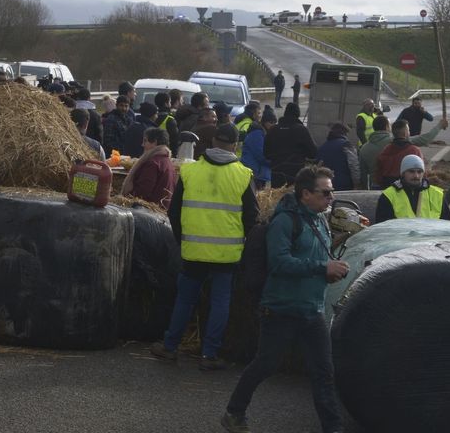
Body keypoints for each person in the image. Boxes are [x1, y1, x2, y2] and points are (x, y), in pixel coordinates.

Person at [221, 165, 348, 433]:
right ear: (305, 194)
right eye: (325, 192)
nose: (331, 197)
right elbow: (279, 263)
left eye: (332, 192)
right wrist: (321, 268)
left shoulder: (319, 219)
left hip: (312, 310)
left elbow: (313, 258)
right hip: (281, 309)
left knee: (324, 372)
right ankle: (234, 411)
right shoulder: (284, 221)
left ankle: (333, 427)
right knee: (265, 365)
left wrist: (329, 270)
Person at [152, 124, 259, 370]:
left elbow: (174, 212)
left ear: (212, 142)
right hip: (227, 254)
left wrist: (183, 240)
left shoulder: (190, 171)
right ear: (235, 145)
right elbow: (252, 218)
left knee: (185, 299)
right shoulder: (243, 175)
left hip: (193, 251)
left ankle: (170, 347)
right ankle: (209, 355)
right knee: (221, 301)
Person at [359, 115, 448, 189]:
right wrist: (439, 126)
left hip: (377, 186)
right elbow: (424, 138)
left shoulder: (363, 149)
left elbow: (362, 175)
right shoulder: (397, 141)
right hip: (399, 186)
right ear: (387, 127)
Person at [375, 155, 450, 223]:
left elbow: (448, 226)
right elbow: (382, 229)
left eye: (419, 172)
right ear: (403, 173)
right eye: (411, 171)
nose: (416, 176)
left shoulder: (437, 195)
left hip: (431, 239)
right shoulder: (389, 196)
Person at [121, 127, 177, 208]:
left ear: (155, 142)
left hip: (148, 212)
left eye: (145, 141)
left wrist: (127, 197)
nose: (142, 144)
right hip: (161, 210)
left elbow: (142, 192)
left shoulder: (153, 163)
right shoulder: (167, 162)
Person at [264, 103, 317, 187]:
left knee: (278, 198)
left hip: (276, 173)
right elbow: (313, 153)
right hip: (295, 173)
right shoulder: (301, 130)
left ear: (285, 113)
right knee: (293, 198)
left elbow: (266, 154)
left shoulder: (273, 130)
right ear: (297, 114)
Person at [374, 119, 422, 189]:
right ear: (405, 133)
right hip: (407, 190)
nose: (409, 132)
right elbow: (421, 173)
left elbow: (378, 177)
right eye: (408, 130)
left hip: (388, 189)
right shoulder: (414, 151)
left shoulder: (385, 151)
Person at [317, 122, 360, 191]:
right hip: (344, 185)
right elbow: (354, 166)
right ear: (344, 133)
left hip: (326, 186)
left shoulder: (322, 147)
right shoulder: (346, 144)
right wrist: (357, 183)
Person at [240, 107, 271, 190]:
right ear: (265, 122)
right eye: (271, 122)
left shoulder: (262, 133)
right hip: (253, 171)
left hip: (257, 172)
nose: (273, 125)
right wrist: (274, 162)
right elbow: (261, 155)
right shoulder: (257, 134)